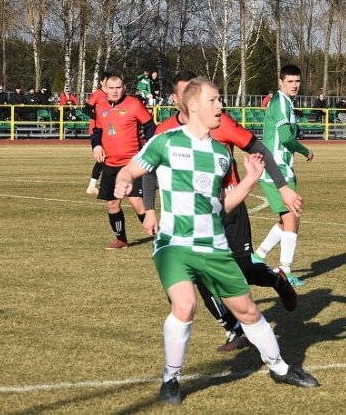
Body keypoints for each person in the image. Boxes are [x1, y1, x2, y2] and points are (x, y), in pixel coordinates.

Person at [114, 77, 319, 405]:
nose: (220, 106)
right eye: (213, 100)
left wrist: (251, 179)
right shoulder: (164, 142)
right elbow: (131, 170)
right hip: (174, 244)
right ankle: (171, 379)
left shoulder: (221, 155)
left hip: (214, 246)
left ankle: (280, 368)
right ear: (193, 105)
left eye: (219, 100)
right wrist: (124, 183)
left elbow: (220, 205)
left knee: (248, 311)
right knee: (185, 305)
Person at [142, 70, 301, 351]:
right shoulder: (164, 131)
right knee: (199, 273)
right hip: (189, 215)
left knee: (243, 268)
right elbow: (148, 169)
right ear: (178, 99)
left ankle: (278, 279)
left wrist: (283, 187)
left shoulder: (221, 123)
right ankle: (234, 330)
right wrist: (149, 209)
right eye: (184, 94)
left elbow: (258, 148)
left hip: (229, 206)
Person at [252, 64, 314, 287]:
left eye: (297, 81)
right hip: (275, 168)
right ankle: (284, 270)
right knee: (292, 217)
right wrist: (306, 150)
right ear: (281, 82)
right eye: (290, 81)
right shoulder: (280, 103)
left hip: (282, 166)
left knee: (285, 219)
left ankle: (257, 257)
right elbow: (286, 138)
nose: (295, 85)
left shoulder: (285, 102)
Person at [91, 73, 156, 250]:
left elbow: (150, 127)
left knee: (137, 202)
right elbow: (97, 131)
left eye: (118, 87)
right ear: (105, 89)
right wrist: (96, 146)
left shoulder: (134, 104)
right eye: (111, 88)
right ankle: (121, 240)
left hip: (132, 164)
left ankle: (157, 236)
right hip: (110, 164)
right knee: (112, 204)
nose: (114, 91)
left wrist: (150, 151)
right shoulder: (100, 107)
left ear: (124, 88)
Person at [84, 73, 111, 196]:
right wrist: (96, 117)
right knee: (102, 158)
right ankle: (92, 186)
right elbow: (86, 109)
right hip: (97, 130)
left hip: (110, 130)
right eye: (107, 80)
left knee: (109, 157)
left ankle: (99, 185)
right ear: (101, 81)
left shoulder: (112, 94)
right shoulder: (97, 94)